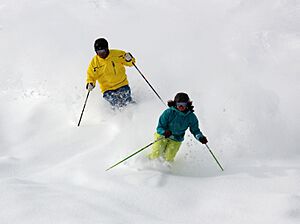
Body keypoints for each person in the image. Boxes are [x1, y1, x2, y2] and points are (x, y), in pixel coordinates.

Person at [148, 92, 208, 162]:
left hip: (176, 138)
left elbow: (195, 130)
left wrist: (200, 137)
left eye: (183, 104)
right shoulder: (169, 112)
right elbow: (160, 127)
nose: (181, 107)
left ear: (187, 104)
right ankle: (149, 166)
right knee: (156, 153)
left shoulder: (191, 117)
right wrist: (164, 132)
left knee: (168, 158)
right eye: (179, 104)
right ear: (175, 104)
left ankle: (164, 170)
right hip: (163, 135)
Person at [85, 38, 136, 108]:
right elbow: (91, 75)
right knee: (116, 104)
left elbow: (131, 63)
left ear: (107, 49)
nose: (101, 54)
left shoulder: (117, 54)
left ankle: (135, 111)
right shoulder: (95, 63)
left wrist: (129, 59)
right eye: (98, 52)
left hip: (122, 84)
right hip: (107, 89)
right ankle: (118, 116)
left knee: (126, 101)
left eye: (103, 51)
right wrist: (90, 83)